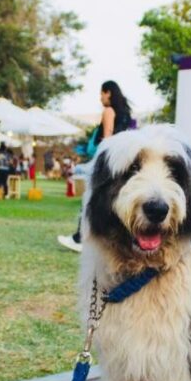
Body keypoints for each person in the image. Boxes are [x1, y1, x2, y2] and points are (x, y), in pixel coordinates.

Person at [57, 80, 133, 252]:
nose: (100, 98)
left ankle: (80, 238)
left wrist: (99, 163)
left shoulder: (108, 111)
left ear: (109, 93)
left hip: (105, 159)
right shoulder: (125, 114)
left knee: (90, 198)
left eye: (102, 93)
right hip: (120, 160)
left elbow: (107, 138)